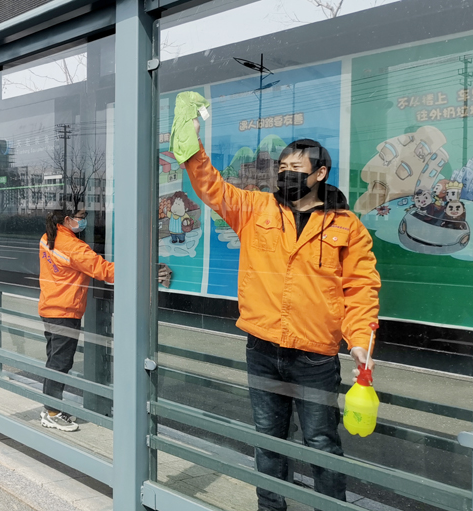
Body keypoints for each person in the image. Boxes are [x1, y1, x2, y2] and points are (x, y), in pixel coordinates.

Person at [175, 98, 380, 510]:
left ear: (320, 173)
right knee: (268, 439)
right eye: (282, 167)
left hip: (315, 356)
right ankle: (270, 507)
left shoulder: (346, 226)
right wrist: (191, 144)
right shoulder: (255, 209)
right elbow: (212, 187)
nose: (286, 174)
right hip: (263, 348)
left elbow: (361, 288)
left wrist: (359, 340)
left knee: (321, 441)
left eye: (296, 168)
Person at [37, 209, 115, 432]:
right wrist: (143, 270)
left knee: (54, 360)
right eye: (80, 217)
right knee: (60, 363)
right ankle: (51, 412)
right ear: (67, 219)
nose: (83, 221)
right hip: (65, 311)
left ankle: (51, 407)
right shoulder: (73, 246)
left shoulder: (48, 237)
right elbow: (104, 270)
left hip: (50, 306)